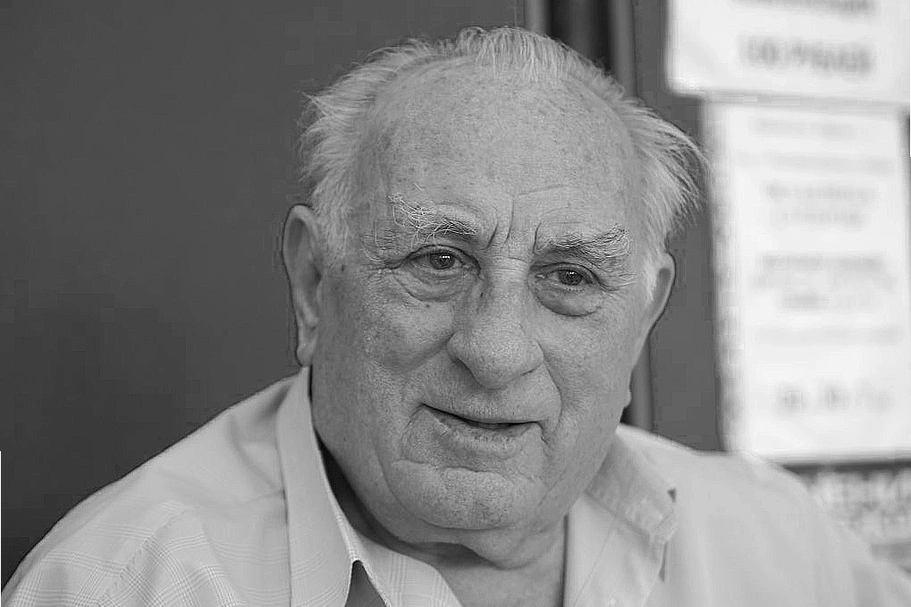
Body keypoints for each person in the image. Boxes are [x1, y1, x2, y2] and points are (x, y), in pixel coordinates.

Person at [4, 25, 910, 607]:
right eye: (438, 261)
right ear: (314, 284)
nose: (496, 349)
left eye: (568, 276)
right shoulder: (125, 583)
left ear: (642, 315)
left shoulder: (779, 550)